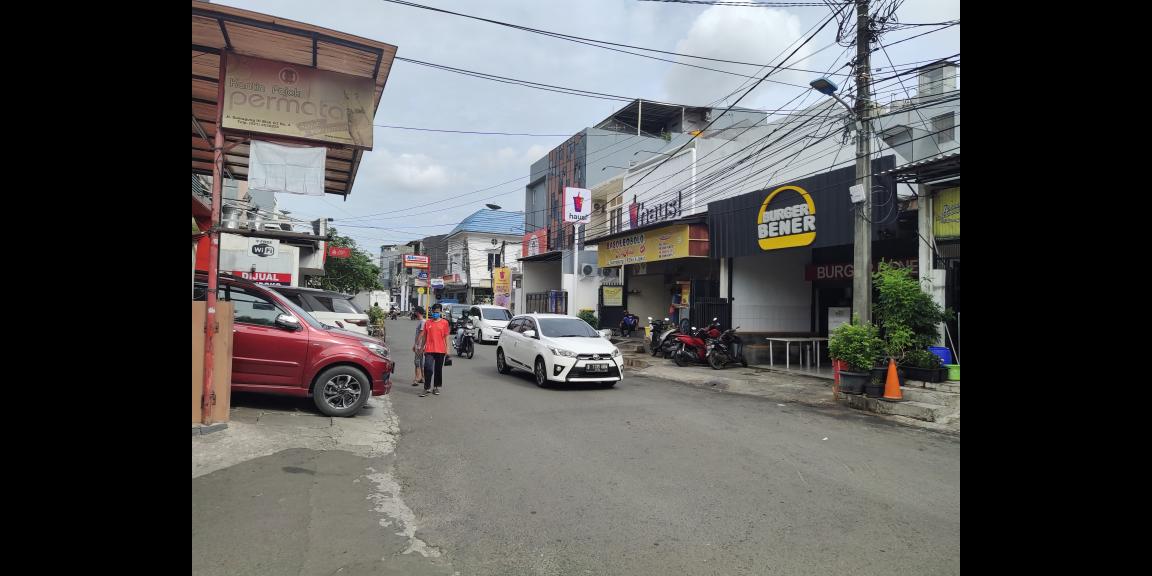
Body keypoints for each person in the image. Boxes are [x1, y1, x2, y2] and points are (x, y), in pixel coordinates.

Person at [418, 303, 452, 397]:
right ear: (432, 312)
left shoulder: (444, 323)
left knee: (438, 369)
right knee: (428, 368)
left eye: (437, 312)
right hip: (429, 349)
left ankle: (436, 387)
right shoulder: (428, 323)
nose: (436, 313)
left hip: (441, 350)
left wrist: (448, 350)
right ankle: (426, 388)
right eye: (434, 311)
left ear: (440, 312)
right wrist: (421, 347)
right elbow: (425, 336)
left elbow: (446, 337)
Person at [411, 306, 426, 387]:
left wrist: (415, 344)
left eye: (415, 311)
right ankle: (422, 378)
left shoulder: (423, 322)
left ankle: (417, 379)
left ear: (418, 312)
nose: (414, 313)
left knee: (417, 362)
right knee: (420, 362)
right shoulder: (420, 321)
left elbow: (421, 333)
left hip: (420, 345)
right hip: (420, 345)